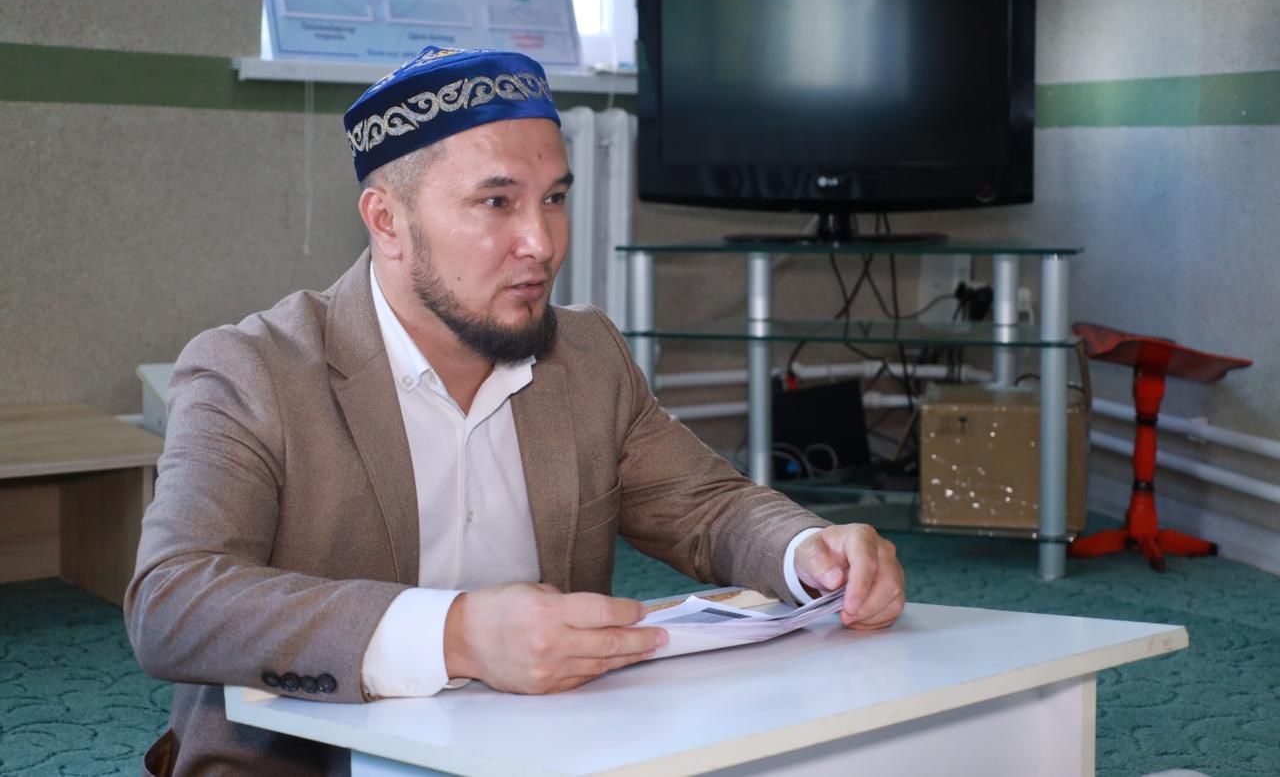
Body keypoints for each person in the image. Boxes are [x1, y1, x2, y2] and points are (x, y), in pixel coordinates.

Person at [125, 46, 905, 776]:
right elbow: (174, 601)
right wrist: (458, 634)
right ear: (387, 221)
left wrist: (807, 549)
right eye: (496, 202)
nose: (542, 242)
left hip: (545, 755)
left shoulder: (586, 356)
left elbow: (709, 507)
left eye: (554, 199)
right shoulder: (253, 369)